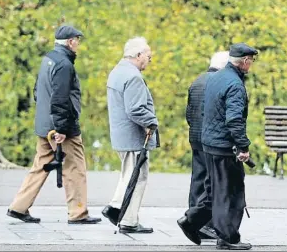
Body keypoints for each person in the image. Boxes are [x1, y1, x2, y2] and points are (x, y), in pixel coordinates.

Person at [7, 25, 101, 224]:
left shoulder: (48, 59)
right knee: (75, 167)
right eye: (77, 40)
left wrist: (48, 121)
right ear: (69, 42)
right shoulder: (64, 65)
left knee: (40, 165)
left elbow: (37, 91)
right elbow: (60, 99)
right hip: (61, 128)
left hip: (44, 124)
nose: (78, 44)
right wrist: (61, 128)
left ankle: (19, 207)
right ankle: (78, 213)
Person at [177, 43, 257, 250]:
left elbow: (204, 111)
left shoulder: (214, 78)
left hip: (209, 144)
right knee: (231, 193)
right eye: (252, 61)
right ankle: (227, 237)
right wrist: (243, 146)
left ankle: (191, 221)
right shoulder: (235, 85)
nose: (252, 65)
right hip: (224, 146)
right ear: (245, 61)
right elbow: (234, 120)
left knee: (213, 191)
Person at [102, 37, 158, 234]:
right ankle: (126, 218)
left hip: (121, 135)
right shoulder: (133, 76)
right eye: (148, 57)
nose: (149, 61)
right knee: (137, 177)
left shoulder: (117, 72)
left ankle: (118, 210)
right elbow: (135, 109)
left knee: (128, 175)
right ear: (138, 55)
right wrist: (152, 122)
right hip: (133, 137)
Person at [185, 51, 230, 241]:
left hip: (195, 137)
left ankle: (193, 219)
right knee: (213, 183)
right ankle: (203, 224)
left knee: (198, 179)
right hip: (211, 141)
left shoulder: (197, 81)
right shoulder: (219, 83)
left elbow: (189, 112)